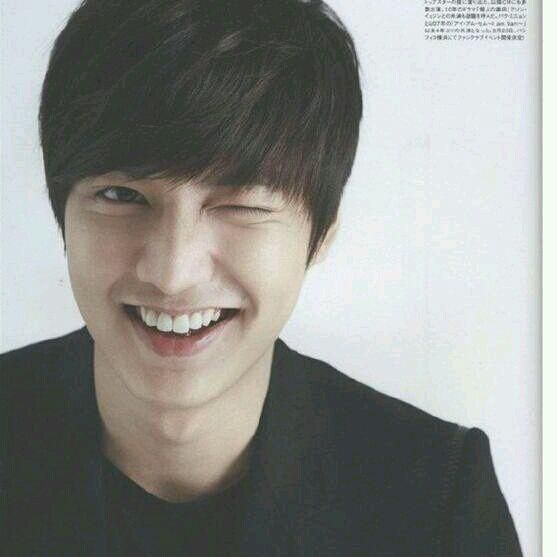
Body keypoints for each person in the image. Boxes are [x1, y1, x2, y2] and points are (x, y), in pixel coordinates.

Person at [1, 0, 522, 555]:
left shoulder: (437, 501)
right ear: (63, 214)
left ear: (320, 233)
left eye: (241, 205)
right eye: (121, 196)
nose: (173, 274)